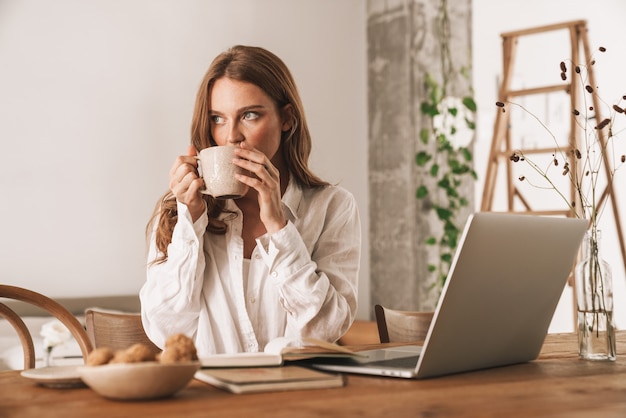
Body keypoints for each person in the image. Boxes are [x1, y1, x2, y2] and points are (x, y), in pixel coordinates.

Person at [140, 45, 361, 356]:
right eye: (218, 118)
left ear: (287, 118)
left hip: (297, 393)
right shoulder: (183, 211)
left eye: (250, 115)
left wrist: (279, 228)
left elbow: (325, 329)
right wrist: (190, 222)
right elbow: (166, 331)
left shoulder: (333, 207)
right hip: (210, 396)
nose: (232, 136)